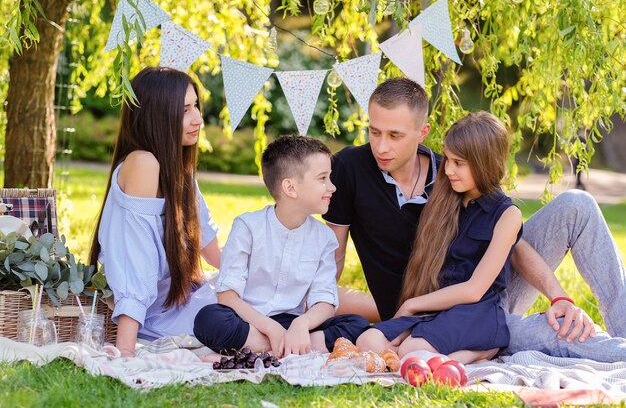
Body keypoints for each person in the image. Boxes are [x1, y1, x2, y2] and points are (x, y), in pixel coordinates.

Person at [325, 77, 626, 362]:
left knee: (577, 204)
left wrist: (559, 297)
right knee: (554, 336)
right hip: (430, 315)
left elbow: (509, 241)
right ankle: (491, 346)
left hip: (484, 298)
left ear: (422, 132)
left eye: (395, 135)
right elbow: (333, 258)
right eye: (374, 131)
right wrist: (305, 317)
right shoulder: (351, 168)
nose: (381, 146)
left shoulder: (451, 174)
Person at [357, 112, 521, 363]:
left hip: (475, 312)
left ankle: (482, 351)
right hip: (437, 306)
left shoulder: (507, 215)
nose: (449, 170)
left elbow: (474, 290)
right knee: (368, 340)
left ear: (485, 162)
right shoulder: (446, 199)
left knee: (412, 349)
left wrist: (413, 304)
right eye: (448, 160)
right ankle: (419, 362)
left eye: (459, 163)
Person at [193, 135, 369, 357]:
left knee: (357, 324)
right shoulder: (247, 227)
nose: (332, 187)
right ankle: (292, 348)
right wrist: (270, 328)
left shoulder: (324, 238)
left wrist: (301, 325)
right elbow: (228, 297)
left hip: (293, 322)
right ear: (290, 188)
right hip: (249, 321)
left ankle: (266, 348)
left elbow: (325, 301)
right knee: (208, 319)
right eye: (323, 178)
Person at [89, 67, 221, 358]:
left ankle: (340, 330)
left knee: (279, 295)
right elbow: (135, 261)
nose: (198, 118)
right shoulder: (143, 163)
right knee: (270, 309)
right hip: (156, 313)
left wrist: (259, 272)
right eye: (185, 109)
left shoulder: (179, 171)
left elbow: (211, 249)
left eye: (196, 106)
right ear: (157, 115)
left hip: (183, 296)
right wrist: (126, 350)